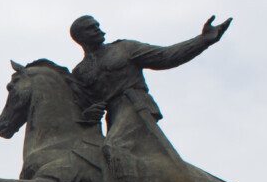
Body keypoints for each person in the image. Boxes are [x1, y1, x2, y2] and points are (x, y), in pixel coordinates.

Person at [68, 14, 231, 138]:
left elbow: (166, 56)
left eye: (97, 25)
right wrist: (88, 114)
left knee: (118, 149)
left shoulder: (124, 48)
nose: (97, 28)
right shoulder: (80, 73)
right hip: (114, 121)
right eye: (90, 27)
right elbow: (79, 108)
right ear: (79, 37)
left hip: (138, 109)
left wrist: (203, 40)